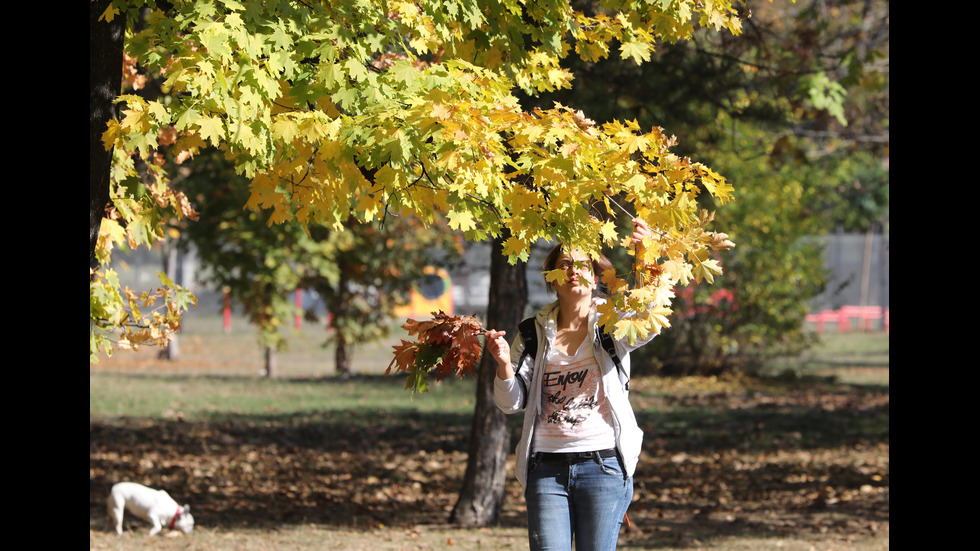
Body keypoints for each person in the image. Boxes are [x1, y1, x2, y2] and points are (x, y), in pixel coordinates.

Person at [486, 218, 658, 551]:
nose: (573, 270)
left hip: (604, 466)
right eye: (564, 265)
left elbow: (649, 322)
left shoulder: (611, 324)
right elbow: (510, 402)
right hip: (545, 469)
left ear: (596, 278)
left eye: (582, 265)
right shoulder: (531, 333)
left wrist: (645, 255)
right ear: (552, 277)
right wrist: (505, 365)